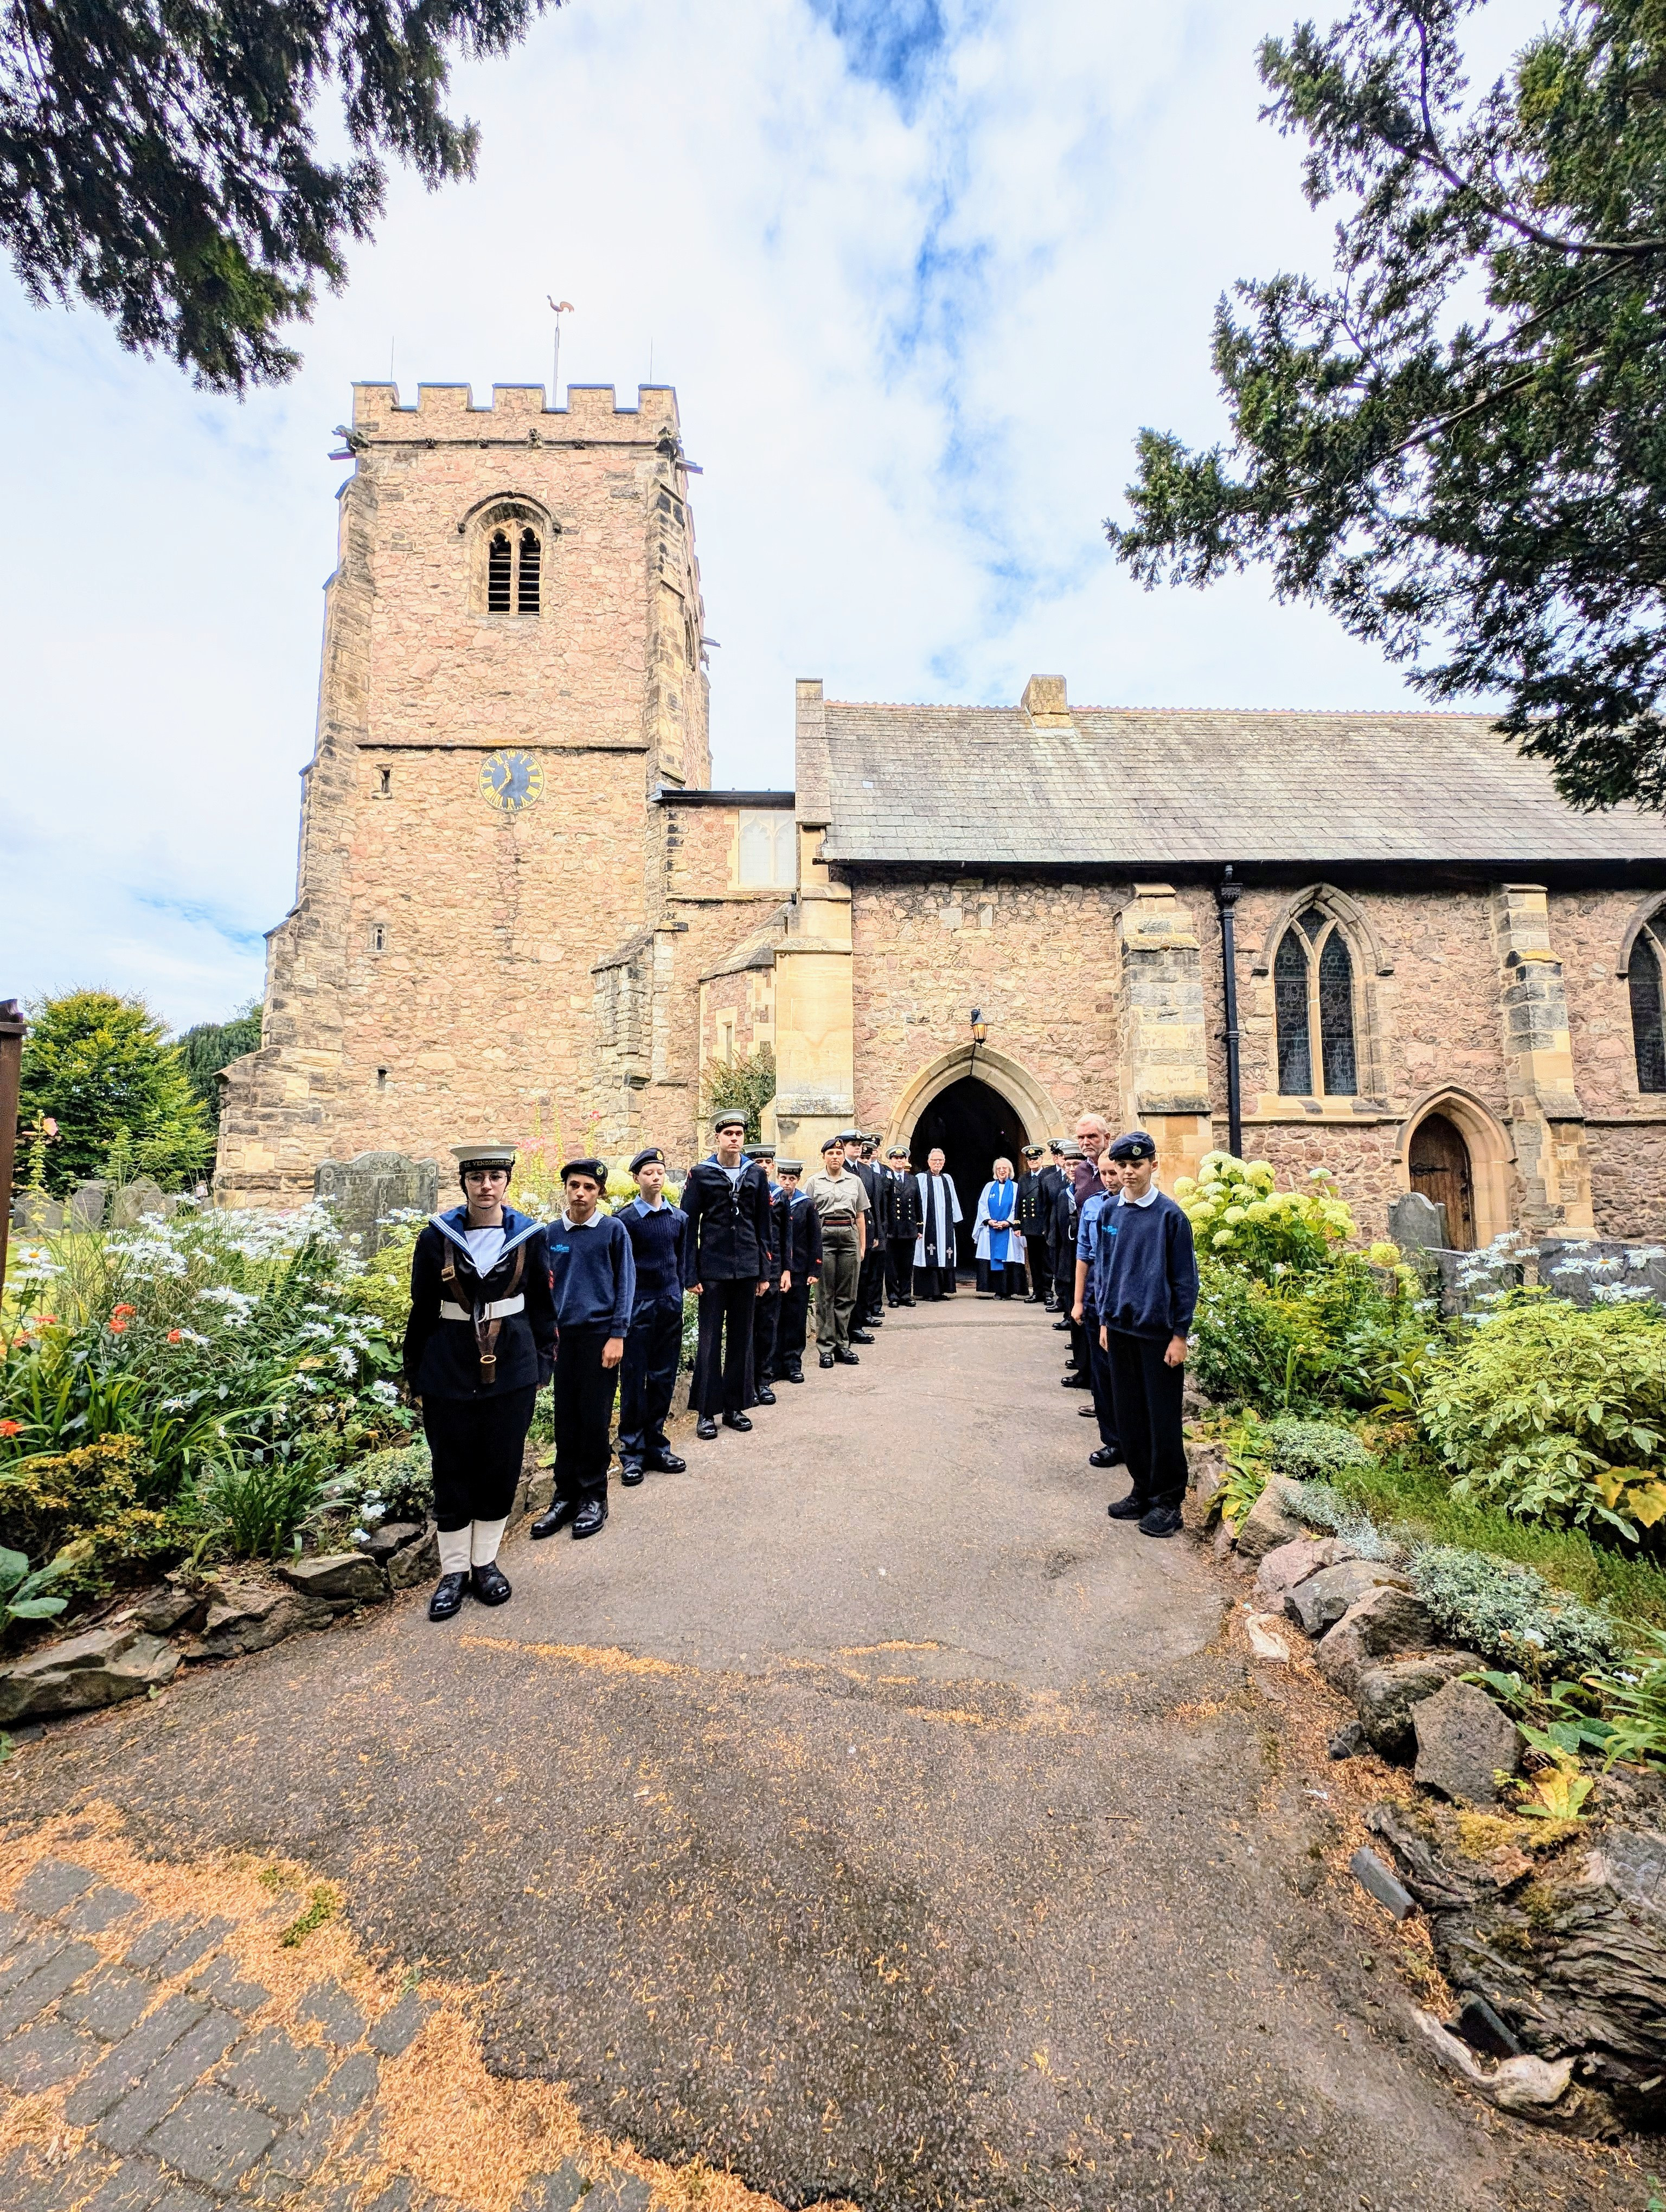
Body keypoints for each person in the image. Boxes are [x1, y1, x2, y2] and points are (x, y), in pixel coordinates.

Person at [403, 1141, 556, 1621]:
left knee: (500, 1463)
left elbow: (542, 1307)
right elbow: (423, 1307)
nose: (486, 1187)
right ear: (464, 1183)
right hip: (449, 1365)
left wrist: (543, 1360)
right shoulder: (437, 1238)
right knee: (451, 1466)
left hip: (511, 1365)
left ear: (507, 1181)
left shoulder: (530, 1235)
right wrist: (416, 1371)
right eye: (477, 1178)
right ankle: (453, 1572)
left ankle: (485, 1563)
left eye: (495, 1177)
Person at [1093, 1131, 1199, 1539]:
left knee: (1161, 1418)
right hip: (1119, 1329)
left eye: (1136, 1165)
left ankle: (1169, 1501)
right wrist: (1105, 1320)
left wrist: (1180, 1335)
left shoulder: (1171, 1217)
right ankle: (1142, 1488)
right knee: (1130, 1416)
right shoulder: (1110, 1214)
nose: (1129, 1173)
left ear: (1154, 1165)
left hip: (1157, 1335)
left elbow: (1185, 1280)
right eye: (1122, 1166)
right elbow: (1107, 1270)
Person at [528, 1157, 636, 1542]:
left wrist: (617, 1335)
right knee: (566, 1420)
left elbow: (625, 1284)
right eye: (575, 1185)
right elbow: (541, 1289)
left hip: (599, 1337)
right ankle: (565, 1496)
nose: (581, 1193)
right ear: (566, 1188)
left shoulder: (612, 1230)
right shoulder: (550, 1233)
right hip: (563, 1339)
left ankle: (594, 1496)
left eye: (589, 1188)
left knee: (593, 1418)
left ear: (599, 1193)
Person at [682, 1112, 773, 1437]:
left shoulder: (756, 1174)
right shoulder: (701, 1174)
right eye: (728, 1133)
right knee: (708, 1340)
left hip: (747, 1267)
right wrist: (690, 1273)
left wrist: (765, 1272)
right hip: (713, 1269)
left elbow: (764, 1224)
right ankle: (706, 1412)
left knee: (741, 1339)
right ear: (717, 1137)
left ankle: (735, 1407)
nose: (734, 1138)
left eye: (739, 1133)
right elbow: (689, 1225)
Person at [611, 1146, 691, 1487]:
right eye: (648, 1173)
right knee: (634, 1377)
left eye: (660, 1172)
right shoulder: (624, 1221)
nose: (655, 1178)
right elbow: (619, 1269)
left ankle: (657, 1444)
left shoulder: (679, 1219)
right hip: (638, 1306)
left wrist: (678, 1293)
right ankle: (631, 1451)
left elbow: (680, 1258)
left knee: (663, 1376)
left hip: (669, 1303)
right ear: (636, 1179)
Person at [1073, 1150, 1125, 1468]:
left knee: (1123, 1375)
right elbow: (1084, 1253)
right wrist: (1078, 1302)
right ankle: (1112, 1441)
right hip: (1095, 1298)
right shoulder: (1093, 1206)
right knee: (1102, 1376)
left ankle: (1131, 1438)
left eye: (1113, 1172)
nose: (1109, 1178)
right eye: (1103, 1173)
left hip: (1123, 1302)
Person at [805, 1134, 869, 1365]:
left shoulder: (855, 1182)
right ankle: (826, 1348)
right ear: (824, 1157)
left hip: (849, 1236)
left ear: (844, 1156)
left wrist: (862, 1245)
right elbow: (807, 1218)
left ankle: (843, 1345)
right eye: (831, 1153)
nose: (835, 1157)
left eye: (839, 1153)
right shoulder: (813, 1182)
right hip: (824, 1237)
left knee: (847, 1295)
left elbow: (861, 1216)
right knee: (825, 1295)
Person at [773, 1159, 822, 1381]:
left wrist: (815, 1269)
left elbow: (815, 1239)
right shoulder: (773, 1202)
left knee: (796, 1317)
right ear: (778, 1178)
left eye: (792, 1179)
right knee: (775, 1318)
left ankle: (793, 1363)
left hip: (800, 1271)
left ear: (798, 1180)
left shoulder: (806, 1204)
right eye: (783, 1178)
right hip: (777, 1271)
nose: (787, 1183)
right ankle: (774, 1365)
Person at [745, 1141, 784, 1405]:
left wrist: (786, 1271)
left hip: (773, 1268)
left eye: (768, 1163)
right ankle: (747, 1383)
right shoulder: (743, 1193)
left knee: (768, 1326)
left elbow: (785, 1237)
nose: (764, 1168)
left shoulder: (779, 1194)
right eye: (759, 1163)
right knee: (746, 1328)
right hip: (748, 1268)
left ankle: (764, 1380)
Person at [841, 1130, 885, 1334]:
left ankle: (860, 1320)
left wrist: (876, 1234)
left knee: (865, 1277)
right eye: (853, 1144)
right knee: (849, 1281)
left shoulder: (867, 1172)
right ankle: (848, 1326)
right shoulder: (839, 1168)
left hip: (866, 1230)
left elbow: (874, 1205)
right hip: (846, 1231)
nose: (857, 1147)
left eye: (860, 1144)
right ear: (843, 1146)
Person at [972, 1156, 1027, 1297]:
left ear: (1010, 1171)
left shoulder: (1016, 1188)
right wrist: (989, 1220)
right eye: (999, 1169)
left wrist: (1008, 1222)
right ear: (995, 1171)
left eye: (1005, 1168)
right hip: (991, 1229)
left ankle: (1008, 1290)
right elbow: (982, 1205)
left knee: (1009, 1257)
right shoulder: (989, 1187)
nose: (1002, 1171)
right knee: (992, 1257)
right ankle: (996, 1289)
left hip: (1008, 1230)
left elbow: (1018, 1207)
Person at [913, 1146, 963, 1298]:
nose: (937, 1163)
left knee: (944, 1254)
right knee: (927, 1255)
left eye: (940, 1160)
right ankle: (928, 1291)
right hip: (928, 1225)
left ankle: (940, 1291)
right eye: (935, 1160)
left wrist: (955, 1221)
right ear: (929, 1162)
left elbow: (953, 1200)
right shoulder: (921, 1179)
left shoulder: (947, 1179)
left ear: (944, 1162)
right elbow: (916, 1201)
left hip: (945, 1226)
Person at [885, 1146, 922, 1305]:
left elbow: (918, 1204)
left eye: (902, 1158)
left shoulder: (913, 1180)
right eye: (896, 1158)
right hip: (892, 1230)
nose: (899, 1161)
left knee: (907, 1265)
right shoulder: (886, 1179)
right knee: (892, 1266)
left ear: (906, 1160)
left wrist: (919, 1227)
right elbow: (885, 1205)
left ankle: (906, 1295)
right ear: (891, 1161)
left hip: (909, 1229)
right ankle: (893, 1296)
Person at [1015, 1144, 1052, 1303]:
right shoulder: (1023, 1178)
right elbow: (1019, 1202)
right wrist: (1017, 1224)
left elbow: (1049, 1204)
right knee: (1035, 1261)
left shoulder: (1048, 1176)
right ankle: (1037, 1292)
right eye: (1030, 1159)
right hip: (1029, 1224)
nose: (1033, 1162)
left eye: (1035, 1159)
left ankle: (1048, 1293)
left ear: (1041, 1159)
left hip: (1043, 1224)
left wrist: (1048, 1225)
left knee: (1046, 1261)